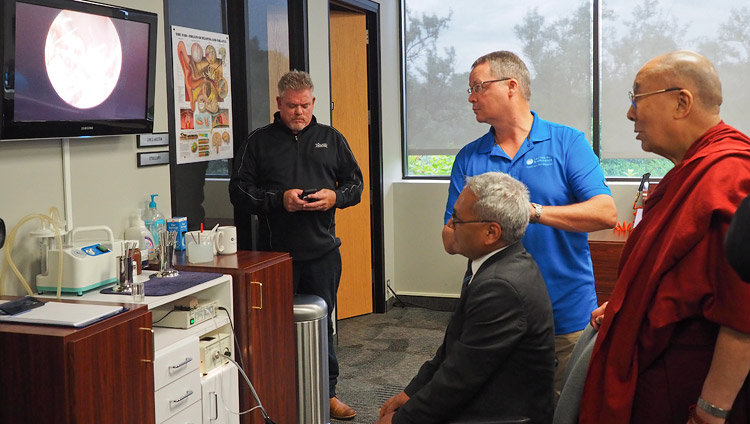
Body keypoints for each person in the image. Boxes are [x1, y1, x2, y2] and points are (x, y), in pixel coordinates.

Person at [580, 51, 750, 424]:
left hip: (689, 391)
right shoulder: (688, 172)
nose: (629, 114)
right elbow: (685, 272)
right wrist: (634, 303)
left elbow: (743, 314)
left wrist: (710, 412)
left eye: (636, 99)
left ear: (681, 102)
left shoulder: (731, 176)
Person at [442, 51, 617, 395]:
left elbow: (605, 213)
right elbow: (450, 239)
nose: (471, 97)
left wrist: (533, 213)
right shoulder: (469, 157)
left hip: (563, 313)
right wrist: (483, 227)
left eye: (478, 87)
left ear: (511, 86)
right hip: (489, 313)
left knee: (561, 411)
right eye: (469, 89)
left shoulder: (567, 142)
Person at [229, 70, 363, 420]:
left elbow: (356, 185)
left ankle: (327, 394)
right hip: (274, 256)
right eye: (291, 106)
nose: (298, 112)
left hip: (322, 253)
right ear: (278, 104)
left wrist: (334, 196)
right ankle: (276, 391)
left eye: (304, 105)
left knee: (322, 324)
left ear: (313, 103)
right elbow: (238, 192)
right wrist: (279, 200)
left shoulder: (330, 138)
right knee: (273, 327)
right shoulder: (259, 141)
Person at [377, 172, 556, 424]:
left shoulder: (500, 286)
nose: (449, 225)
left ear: (491, 232)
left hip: (501, 414)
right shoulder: (499, 264)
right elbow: (455, 350)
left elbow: (459, 379)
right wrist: (411, 392)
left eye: (457, 219)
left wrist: (401, 420)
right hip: (489, 396)